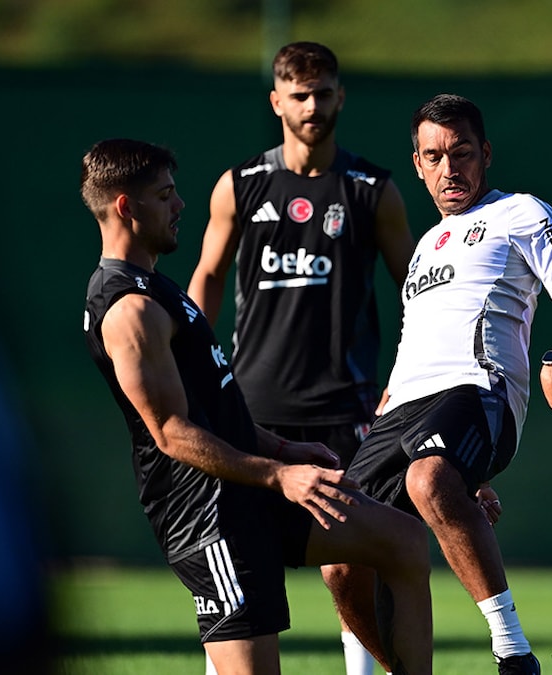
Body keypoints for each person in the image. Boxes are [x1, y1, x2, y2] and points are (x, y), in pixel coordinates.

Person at [80, 138, 432, 675]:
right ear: (127, 206)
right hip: (208, 517)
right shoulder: (129, 309)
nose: (180, 205)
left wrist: (285, 449)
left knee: (402, 541)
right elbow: (171, 432)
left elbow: (214, 410)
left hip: (249, 488)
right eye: (166, 195)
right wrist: (279, 475)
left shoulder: (157, 288)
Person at [327, 93, 552, 675]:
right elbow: (415, 345)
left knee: (428, 478)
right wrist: (466, 476)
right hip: (402, 410)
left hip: (478, 390)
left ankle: (512, 652)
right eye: (434, 156)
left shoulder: (519, 213)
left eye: (461, 153)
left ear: (485, 153)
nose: (449, 168)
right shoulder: (424, 248)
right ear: (417, 165)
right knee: (339, 555)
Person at [187, 41, 414, 675]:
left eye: (323, 94)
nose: (312, 106)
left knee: (350, 563)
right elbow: (207, 275)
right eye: (299, 95)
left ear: (341, 97)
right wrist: (195, 368)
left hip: (347, 408)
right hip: (252, 409)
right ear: (276, 102)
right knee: (233, 559)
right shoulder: (240, 185)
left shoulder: (373, 190)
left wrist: (406, 379)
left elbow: (418, 292)